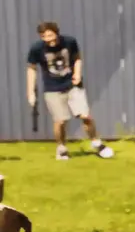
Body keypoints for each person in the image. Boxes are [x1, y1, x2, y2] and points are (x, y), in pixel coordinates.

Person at [26, 22, 115, 160]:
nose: (48, 39)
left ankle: (97, 144)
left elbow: (77, 58)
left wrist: (77, 74)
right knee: (60, 121)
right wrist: (30, 92)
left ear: (56, 33)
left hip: (72, 85)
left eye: (50, 35)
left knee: (85, 116)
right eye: (44, 36)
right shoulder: (37, 48)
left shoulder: (69, 41)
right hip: (52, 89)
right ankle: (61, 149)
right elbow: (31, 69)